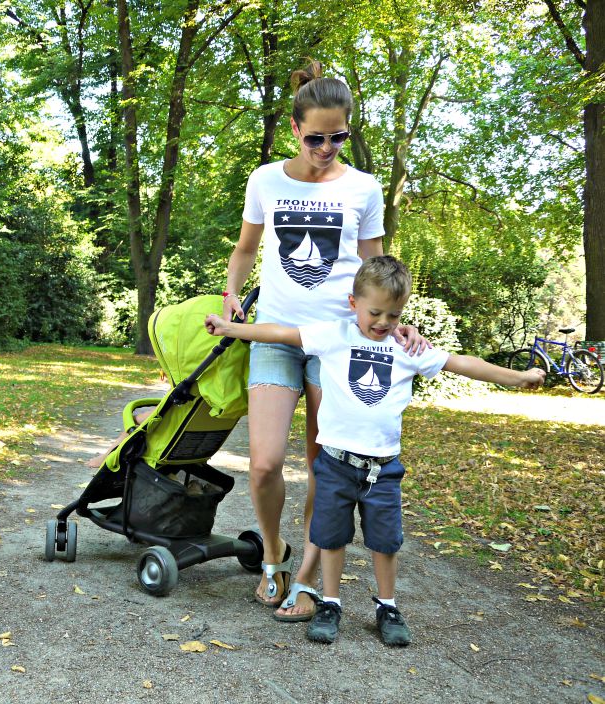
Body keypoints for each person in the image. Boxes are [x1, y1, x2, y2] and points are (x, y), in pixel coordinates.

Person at [207, 255, 545, 645]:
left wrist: (518, 378)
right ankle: (329, 601)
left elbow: (461, 363)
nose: (384, 322)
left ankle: (387, 605)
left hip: (382, 468)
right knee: (332, 536)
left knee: (385, 540)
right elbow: (283, 334)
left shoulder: (407, 348)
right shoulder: (335, 334)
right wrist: (231, 327)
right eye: (376, 312)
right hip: (336, 462)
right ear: (353, 303)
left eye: (394, 315)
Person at [222, 60, 429, 621]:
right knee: (264, 463)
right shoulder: (266, 179)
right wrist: (231, 293)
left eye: (338, 137)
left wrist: (396, 319)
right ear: (295, 129)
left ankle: (310, 580)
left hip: (338, 343)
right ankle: (274, 557)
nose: (327, 147)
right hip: (279, 334)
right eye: (315, 137)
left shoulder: (363, 186)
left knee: (324, 467)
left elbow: (376, 265)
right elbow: (245, 248)